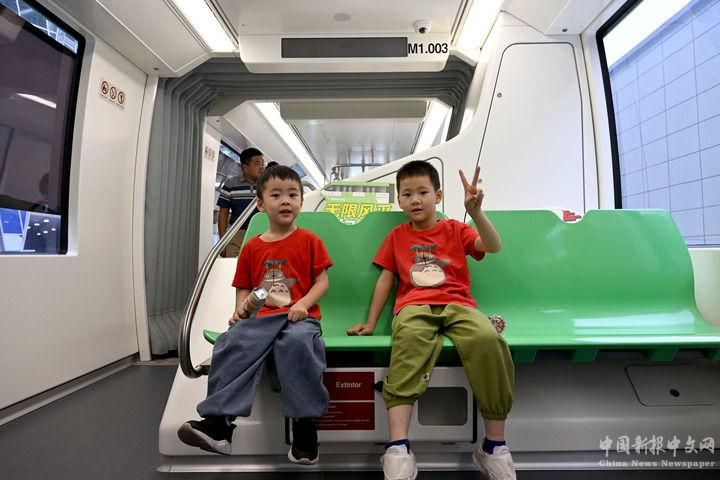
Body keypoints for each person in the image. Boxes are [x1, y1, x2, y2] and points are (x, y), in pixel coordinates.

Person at [346, 161, 516, 480]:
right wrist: (370, 323)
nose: (415, 200)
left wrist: (476, 212)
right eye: (407, 194)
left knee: (488, 340)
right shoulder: (397, 236)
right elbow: (385, 280)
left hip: (458, 305)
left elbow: (492, 246)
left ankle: (494, 446)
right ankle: (398, 447)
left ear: (438, 196)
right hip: (414, 306)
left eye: (423, 192)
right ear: (399, 200)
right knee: (407, 343)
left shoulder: (455, 229)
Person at [179, 165, 333, 464]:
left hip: (299, 318)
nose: (286, 201)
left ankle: (305, 430)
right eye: (276, 195)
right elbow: (245, 288)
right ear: (260, 204)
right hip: (261, 318)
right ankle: (219, 425)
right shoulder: (251, 248)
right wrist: (241, 311)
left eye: (293, 195)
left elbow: (322, 282)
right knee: (232, 342)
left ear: (301, 202)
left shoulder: (310, 241)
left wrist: (304, 304)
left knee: (298, 344)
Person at [217, 147, 265, 257]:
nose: (262, 167)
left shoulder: (267, 184)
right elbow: (223, 213)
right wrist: (222, 242)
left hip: (262, 233)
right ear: (245, 167)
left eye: (263, 163)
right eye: (258, 163)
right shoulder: (231, 184)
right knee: (233, 265)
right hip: (236, 234)